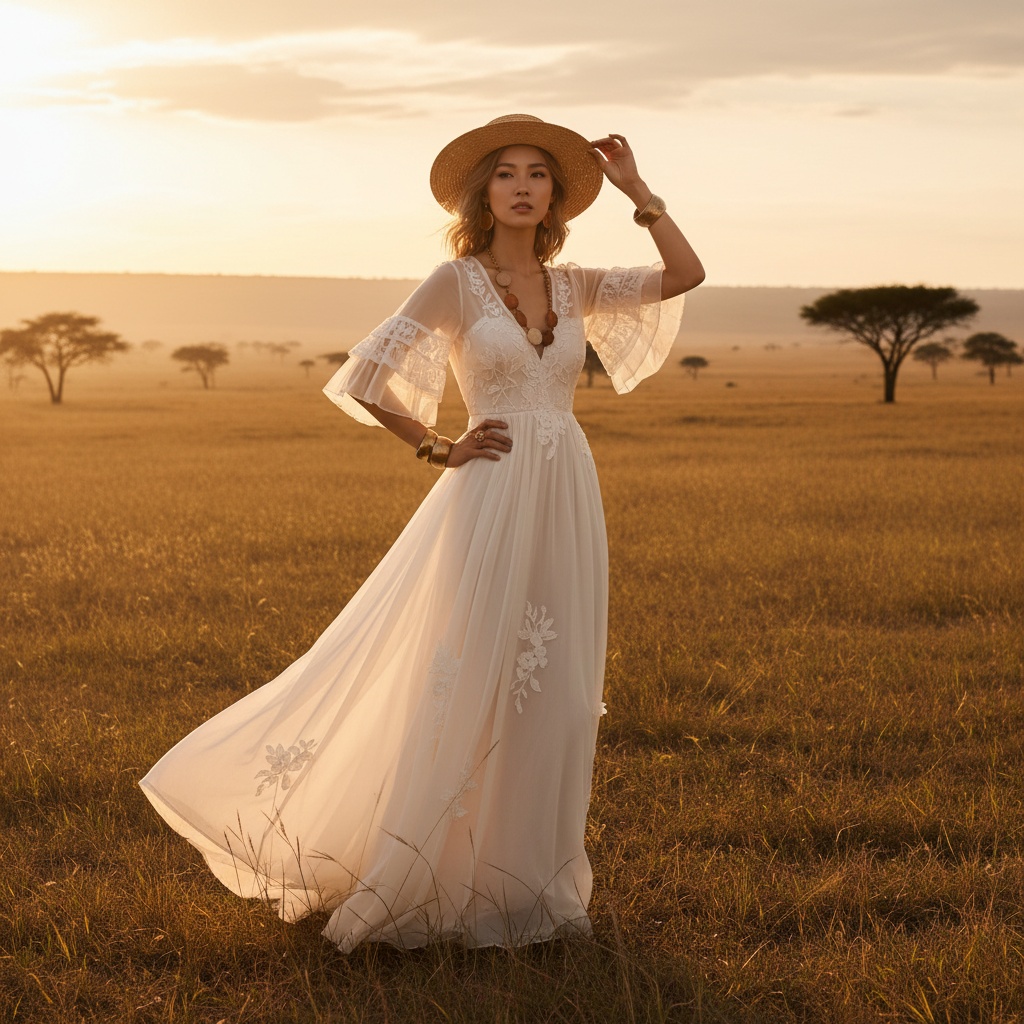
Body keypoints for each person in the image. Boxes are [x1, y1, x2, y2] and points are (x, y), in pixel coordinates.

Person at [140, 114, 704, 952]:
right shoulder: (456, 281)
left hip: (566, 490)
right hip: (490, 488)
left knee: (553, 686)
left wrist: (637, 192)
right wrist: (440, 446)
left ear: (554, 197)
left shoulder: (575, 282)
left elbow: (685, 274)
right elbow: (366, 377)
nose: (522, 186)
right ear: (485, 194)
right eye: (507, 174)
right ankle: (430, 872)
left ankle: (530, 883)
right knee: (469, 671)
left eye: (538, 175)